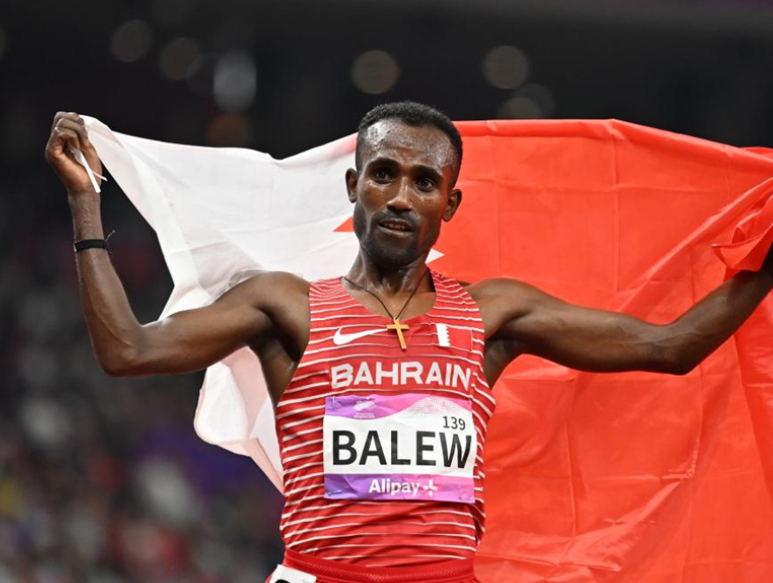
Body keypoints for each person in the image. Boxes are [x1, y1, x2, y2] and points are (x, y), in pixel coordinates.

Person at [45, 102, 773, 583]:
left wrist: (764, 257)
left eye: (424, 182)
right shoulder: (284, 306)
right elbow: (128, 351)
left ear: (449, 203)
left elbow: (670, 346)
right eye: (384, 174)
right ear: (352, 184)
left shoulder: (492, 313)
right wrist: (86, 201)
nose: (400, 196)